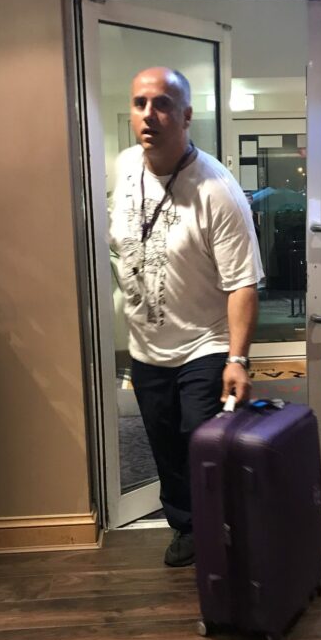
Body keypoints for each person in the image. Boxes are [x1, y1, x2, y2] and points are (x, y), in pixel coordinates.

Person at [109, 67, 264, 567]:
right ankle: (187, 527)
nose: (149, 115)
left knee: (204, 446)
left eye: (162, 104)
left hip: (205, 343)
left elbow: (242, 282)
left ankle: (226, 533)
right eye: (140, 103)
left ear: (186, 115)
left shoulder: (217, 189)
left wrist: (237, 359)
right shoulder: (124, 167)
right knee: (166, 450)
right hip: (147, 347)